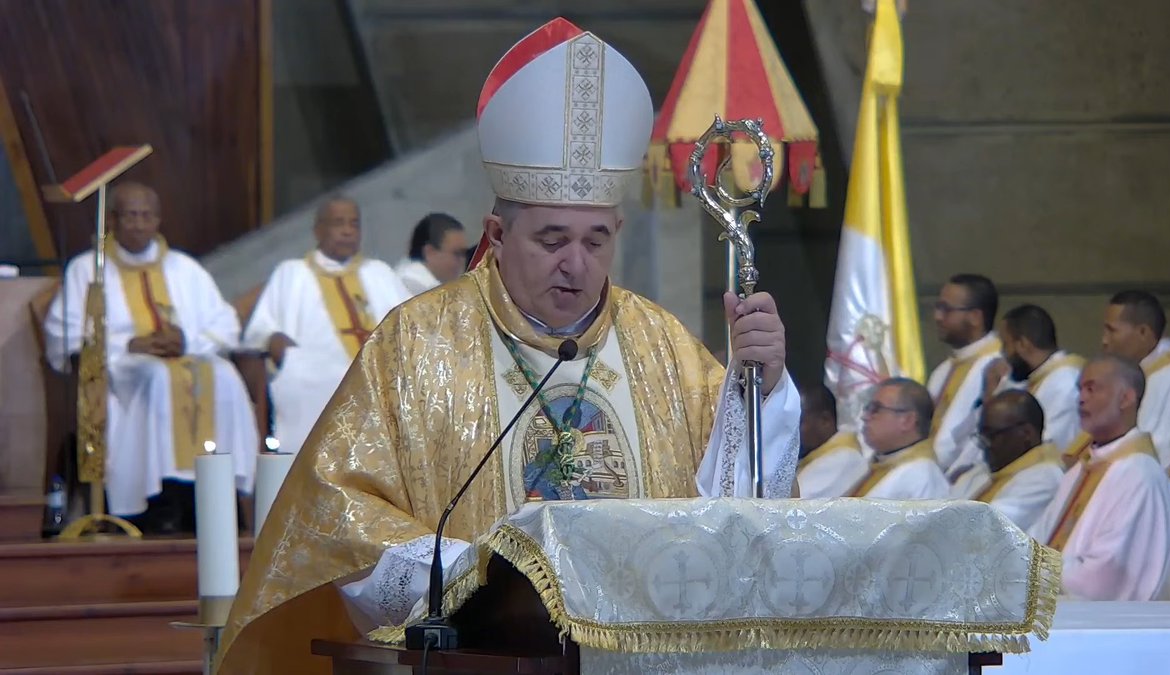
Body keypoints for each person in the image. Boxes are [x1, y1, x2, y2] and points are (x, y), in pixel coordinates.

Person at [216, 18, 802, 673]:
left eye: (595, 241)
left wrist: (763, 388)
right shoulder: (415, 345)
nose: (576, 265)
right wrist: (470, 578)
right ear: (497, 232)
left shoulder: (661, 344)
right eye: (552, 240)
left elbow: (738, 510)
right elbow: (335, 512)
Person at [44, 182, 258, 534]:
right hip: (122, 368)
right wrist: (130, 344)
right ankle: (156, 499)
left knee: (224, 376)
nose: (140, 224)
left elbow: (224, 323)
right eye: (131, 216)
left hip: (188, 357)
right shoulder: (88, 269)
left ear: (158, 219)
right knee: (156, 378)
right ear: (112, 219)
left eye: (147, 216)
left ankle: (219, 494)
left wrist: (185, 340)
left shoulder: (185, 268)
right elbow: (65, 333)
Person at [241, 196, 411, 455]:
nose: (347, 230)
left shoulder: (380, 272)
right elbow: (259, 331)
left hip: (380, 369)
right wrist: (275, 341)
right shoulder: (292, 272)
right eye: (338, 223)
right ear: (318, 230)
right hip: (316, 370)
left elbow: (412, 323)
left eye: (354, 224)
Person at [1029, 356, 1170, 600]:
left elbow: (1105, 576)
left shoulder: (1140, 476)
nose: (1080, 398)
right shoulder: (1079, 471)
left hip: (1108, 627)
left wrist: (1033, 575)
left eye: (1092, 389)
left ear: (1126, 398)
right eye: (1080, 389)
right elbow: (1038, 540)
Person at [1101, 290, 1170, 467]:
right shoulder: (1132, 375)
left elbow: (1159, 453)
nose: (1104, 341)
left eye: (1112, 331)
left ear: (1143, 332)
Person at [927, 274, 1002, 475]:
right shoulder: (942, 370)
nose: (938, 317)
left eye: (946, 309)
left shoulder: (997, 367)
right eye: (937, 307)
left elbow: (977, 438)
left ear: (975, 317)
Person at [985, 304, 1084, 454]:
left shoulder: (1064, 384)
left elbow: (1052, 447)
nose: (1003, 355)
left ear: (1023, 345)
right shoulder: (1039, 376)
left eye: (1006, 345)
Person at [964, 391, 1063, 531]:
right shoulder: (985, 471)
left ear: (1026, 434)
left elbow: (987, 528)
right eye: (982, 436)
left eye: (992, 435)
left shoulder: (1044, 478)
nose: (985, 445)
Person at [851, 377, 950, 499]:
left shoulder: (922, 476)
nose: (865, 417)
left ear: (907, 420)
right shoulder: (879, 462)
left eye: (876, 409)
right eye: (868, 409)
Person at [793, 383, 867, 498]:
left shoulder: (845, 458)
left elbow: (793, 504)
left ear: (825, 420)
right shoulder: (818, 454)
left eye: (798, 422)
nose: (792, 431)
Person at [394, 212, 470, 296]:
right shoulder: (415, 289)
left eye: (464, 254)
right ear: (429, 252)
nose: (462, 261)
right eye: (457, 254)